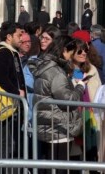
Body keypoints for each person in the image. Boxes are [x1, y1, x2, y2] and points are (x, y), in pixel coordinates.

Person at [29, 36, 85, 174]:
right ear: (65, 50)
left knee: (51, 165)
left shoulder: (45, 66)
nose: (72, 57)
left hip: (49, 123)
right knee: (59, 167)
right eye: (72, 53)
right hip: (59, 127)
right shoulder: (57, 72)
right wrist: (80, 87)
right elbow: (69, 101)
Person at [0, 21, 26, 161]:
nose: (21, 38)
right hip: (7, 104)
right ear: (9, 37)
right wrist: (17, 92)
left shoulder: (11, 52)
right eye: (19, 35)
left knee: (10, 139)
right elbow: (0, 77)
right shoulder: (3, 52)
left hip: (13, 105)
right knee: (6, 140)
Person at [69, 38, 101, 170]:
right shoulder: (66, 71)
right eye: (80, 51)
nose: (83, 53)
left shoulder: (92, 69)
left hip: (90, 116)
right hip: (73, 116)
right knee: (74, 155)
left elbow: (98, 94)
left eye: (86, 50)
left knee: (91, 153)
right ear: (72, 52)